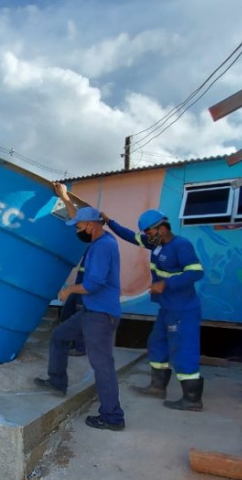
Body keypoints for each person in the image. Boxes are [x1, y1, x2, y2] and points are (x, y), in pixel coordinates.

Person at [34, 183, 124, 431]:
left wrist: (69, 290)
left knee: (102, 365)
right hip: (90, 312)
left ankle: (113, 416)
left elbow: (94, 284)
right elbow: (79, 217)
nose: (77, 230)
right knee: (60, 336)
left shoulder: (104, 246)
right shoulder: (98, 239)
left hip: (101, 316)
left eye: (79, 227)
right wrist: (65, 197)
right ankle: (57, 382)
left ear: (91, 226)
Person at [104, 209, 205, 411]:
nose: (147, 237)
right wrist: (109, 221)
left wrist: (165, 284)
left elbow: (196, 273)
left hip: (182, 310)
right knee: (157, 343)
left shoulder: (181, 245)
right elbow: (130, 236)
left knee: (183, 350)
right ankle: (157, 387)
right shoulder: (156, 244)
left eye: (149, 232)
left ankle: (192, 400)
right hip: (167, 308)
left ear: (162, 228)